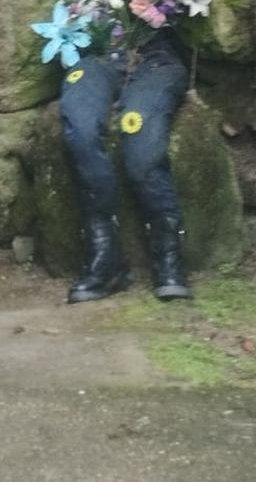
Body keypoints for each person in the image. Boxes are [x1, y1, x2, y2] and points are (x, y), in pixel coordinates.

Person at [57, 29, 192, 303]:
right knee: (81, 125)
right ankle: (105, 256)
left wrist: (161, 11)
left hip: (158, 59)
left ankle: (168, 255)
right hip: (98, 55)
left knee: (139, 126)